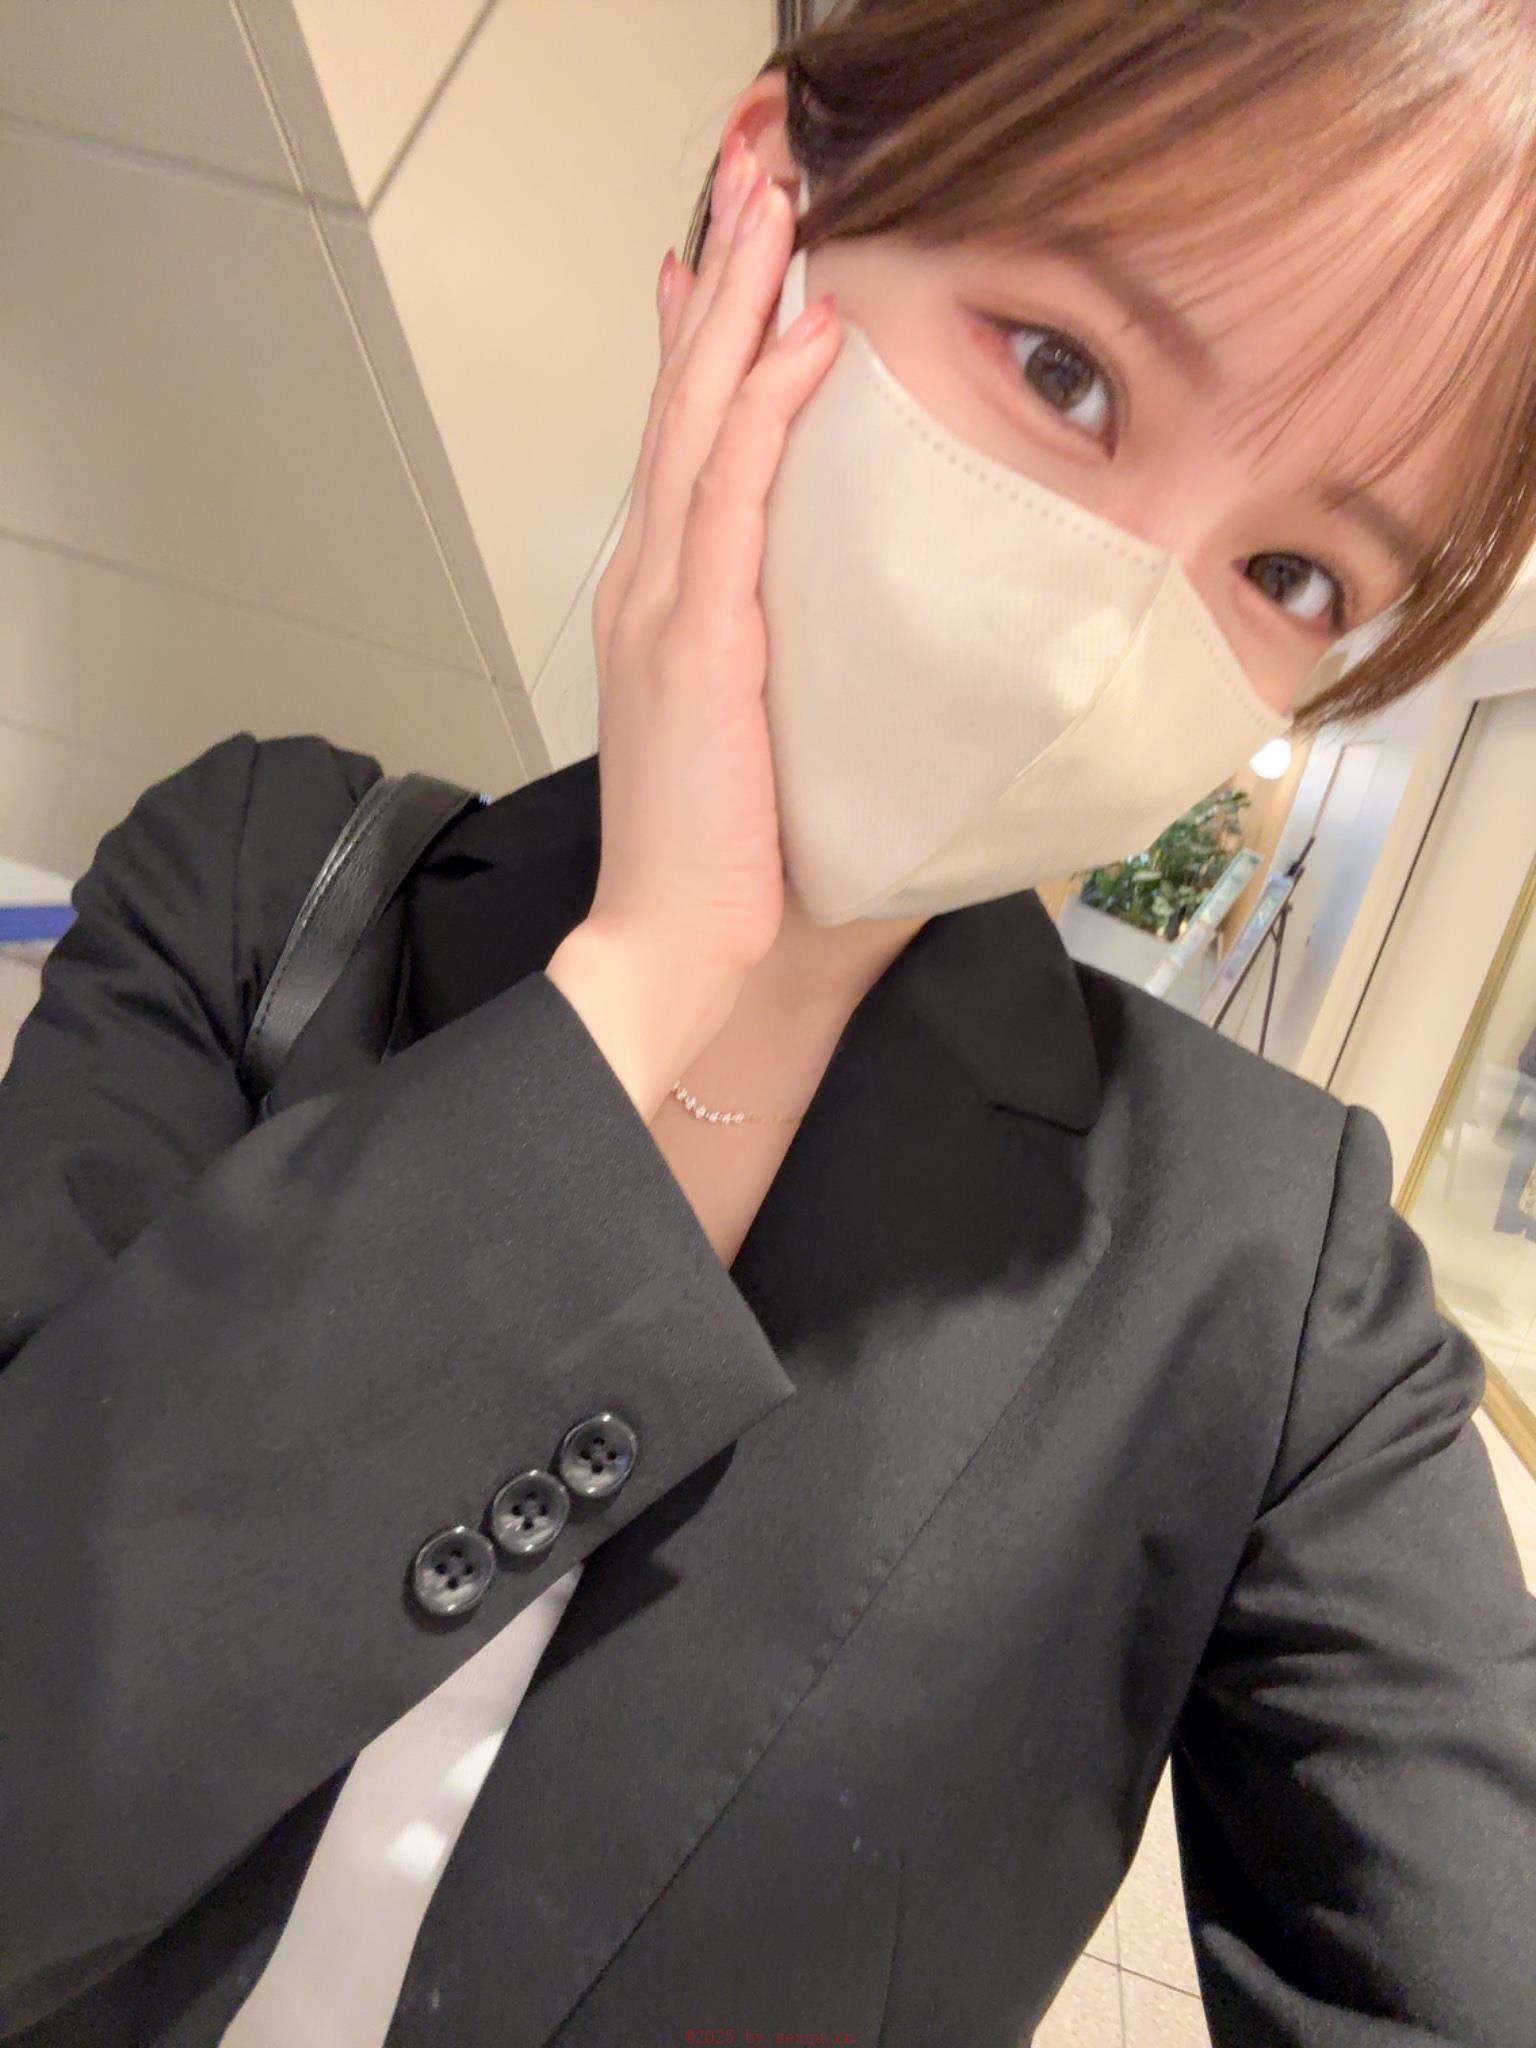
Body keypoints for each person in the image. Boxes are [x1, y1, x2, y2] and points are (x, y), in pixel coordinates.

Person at [2, 2, 1534, 2043]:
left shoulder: (1273, 1291)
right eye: (1064, 370)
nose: (1106, 638)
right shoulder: (253, 886)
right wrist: (657, 971)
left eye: (1291, 573)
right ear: (767, 215)